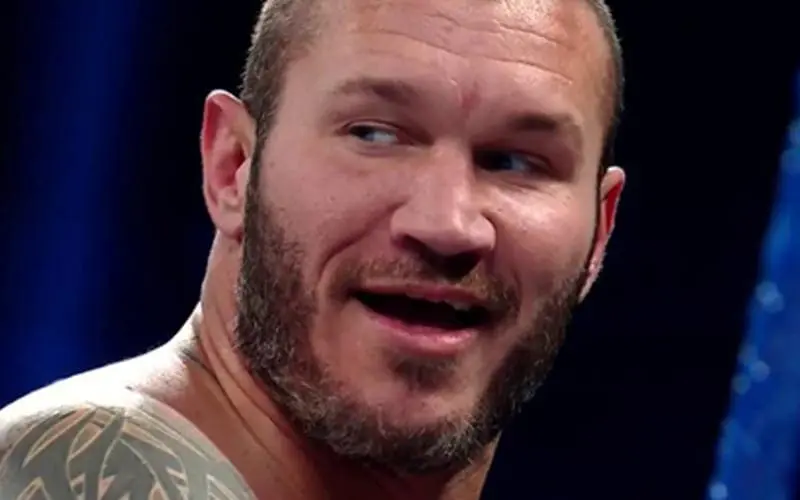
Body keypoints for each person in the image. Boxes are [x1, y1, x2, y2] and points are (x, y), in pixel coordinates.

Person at [0, 0, 626, 497]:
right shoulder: (85, 469)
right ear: (233, 167)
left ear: (600, 232)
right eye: (374, 134)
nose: (447, 225)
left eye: (516, 162)